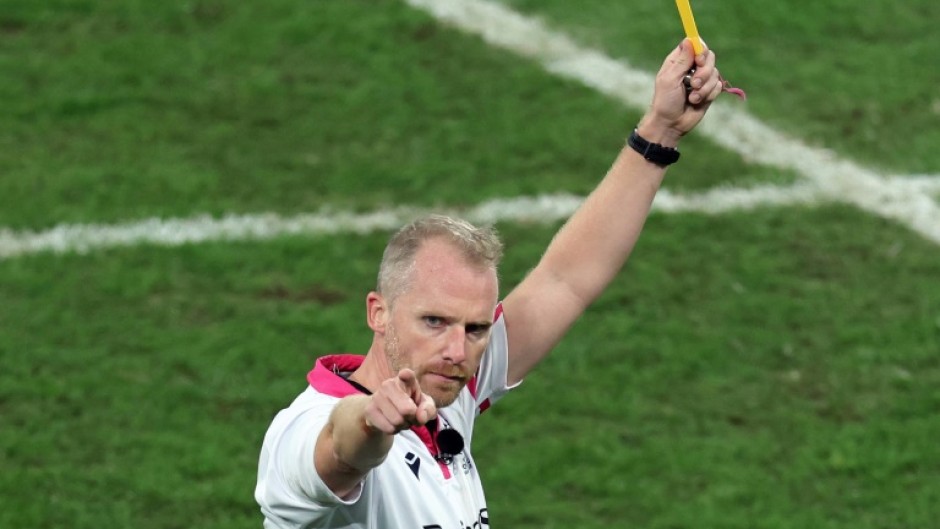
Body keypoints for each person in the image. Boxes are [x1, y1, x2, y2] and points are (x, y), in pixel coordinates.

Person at [256, 39, 727, 528]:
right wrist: (373, 422)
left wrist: (662, 130)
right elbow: (340, 448)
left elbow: (565, 280)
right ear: (378, 311)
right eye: (434, 321)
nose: (458, 350)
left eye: (476, 328)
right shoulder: (301, 431)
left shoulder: (448, 391)